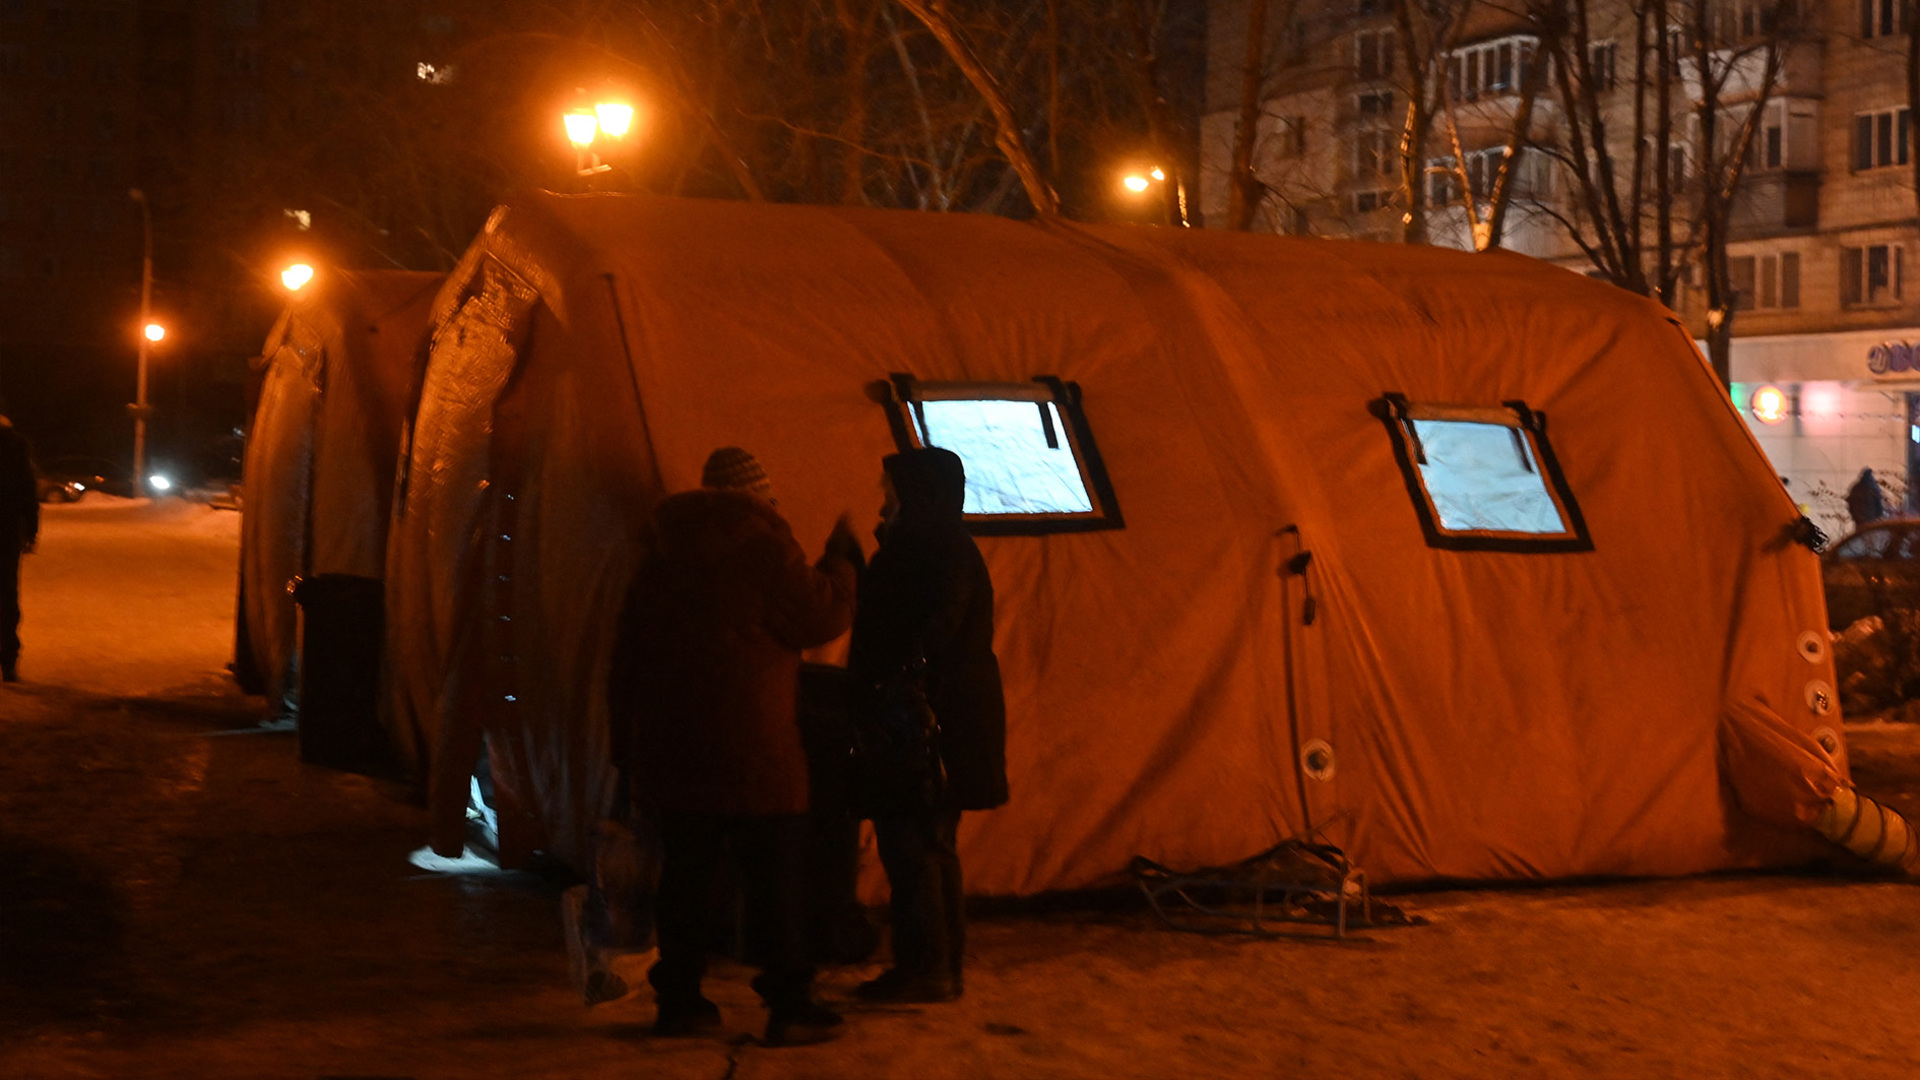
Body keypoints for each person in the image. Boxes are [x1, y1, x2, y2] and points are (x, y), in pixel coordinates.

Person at [612, 447, 860, 1046]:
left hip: (674, 748)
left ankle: (680, 1003)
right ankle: (789, 1003)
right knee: (777, 881)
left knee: (686, 880)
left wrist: (625, 745)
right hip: (756, 750)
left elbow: (625, 658)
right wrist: (842, 561)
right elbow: (820, 616)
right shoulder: (765, 549)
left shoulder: (658, 555)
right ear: (760, 498)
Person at [848, 447, 1007, 1004]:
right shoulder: (939, 545)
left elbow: (927, 630)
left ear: (919, 496)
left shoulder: (930, 549)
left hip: (923, 723)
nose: (883, 503)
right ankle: (937, 965)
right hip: (937, 719)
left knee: (914, 844)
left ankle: (927, 968)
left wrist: (893, 688)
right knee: (929, 844)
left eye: (891, 493)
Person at [0, 404, 38, 684]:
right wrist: (31, 531)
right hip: (7, 530)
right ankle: (9, 661)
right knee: (7, 594)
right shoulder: (16, 446)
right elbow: (28, 490)